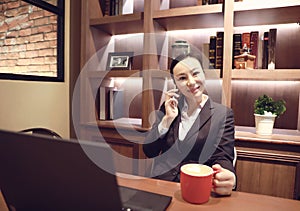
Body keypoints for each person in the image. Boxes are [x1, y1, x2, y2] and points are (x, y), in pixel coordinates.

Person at [143, 53, 236, 196]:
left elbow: (223, 156)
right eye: (182, 78)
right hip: (160, 184)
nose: (191, 82)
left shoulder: (222, 114)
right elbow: (150, 151)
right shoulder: (168, 107)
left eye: (195, 74)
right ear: (175, 84)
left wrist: (227, 175)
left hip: (196, 188)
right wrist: (167, 120)